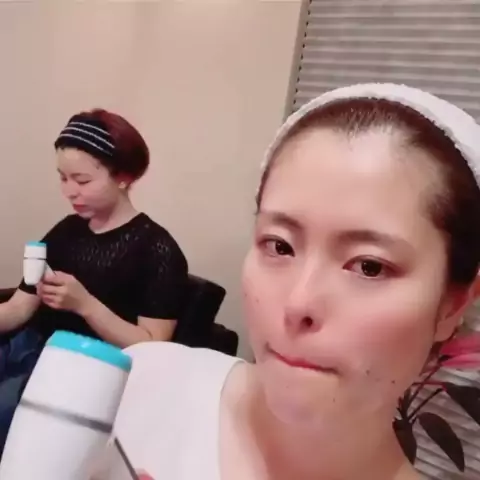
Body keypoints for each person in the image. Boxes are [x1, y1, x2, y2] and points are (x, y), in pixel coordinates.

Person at [106, 83, 480, 480]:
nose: (299, 302)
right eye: (280, 246)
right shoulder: (136, 384)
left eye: (369, 267)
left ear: (453, 304)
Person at [0, 108, 189, 453]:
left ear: (123, 176)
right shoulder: (67, 231)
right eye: (63, 178)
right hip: (28, 350)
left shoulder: (157, 249)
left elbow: (152, 346)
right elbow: (17, 309)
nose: (69, 191)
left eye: (82, 181)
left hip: (86, 372)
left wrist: (85, 305)